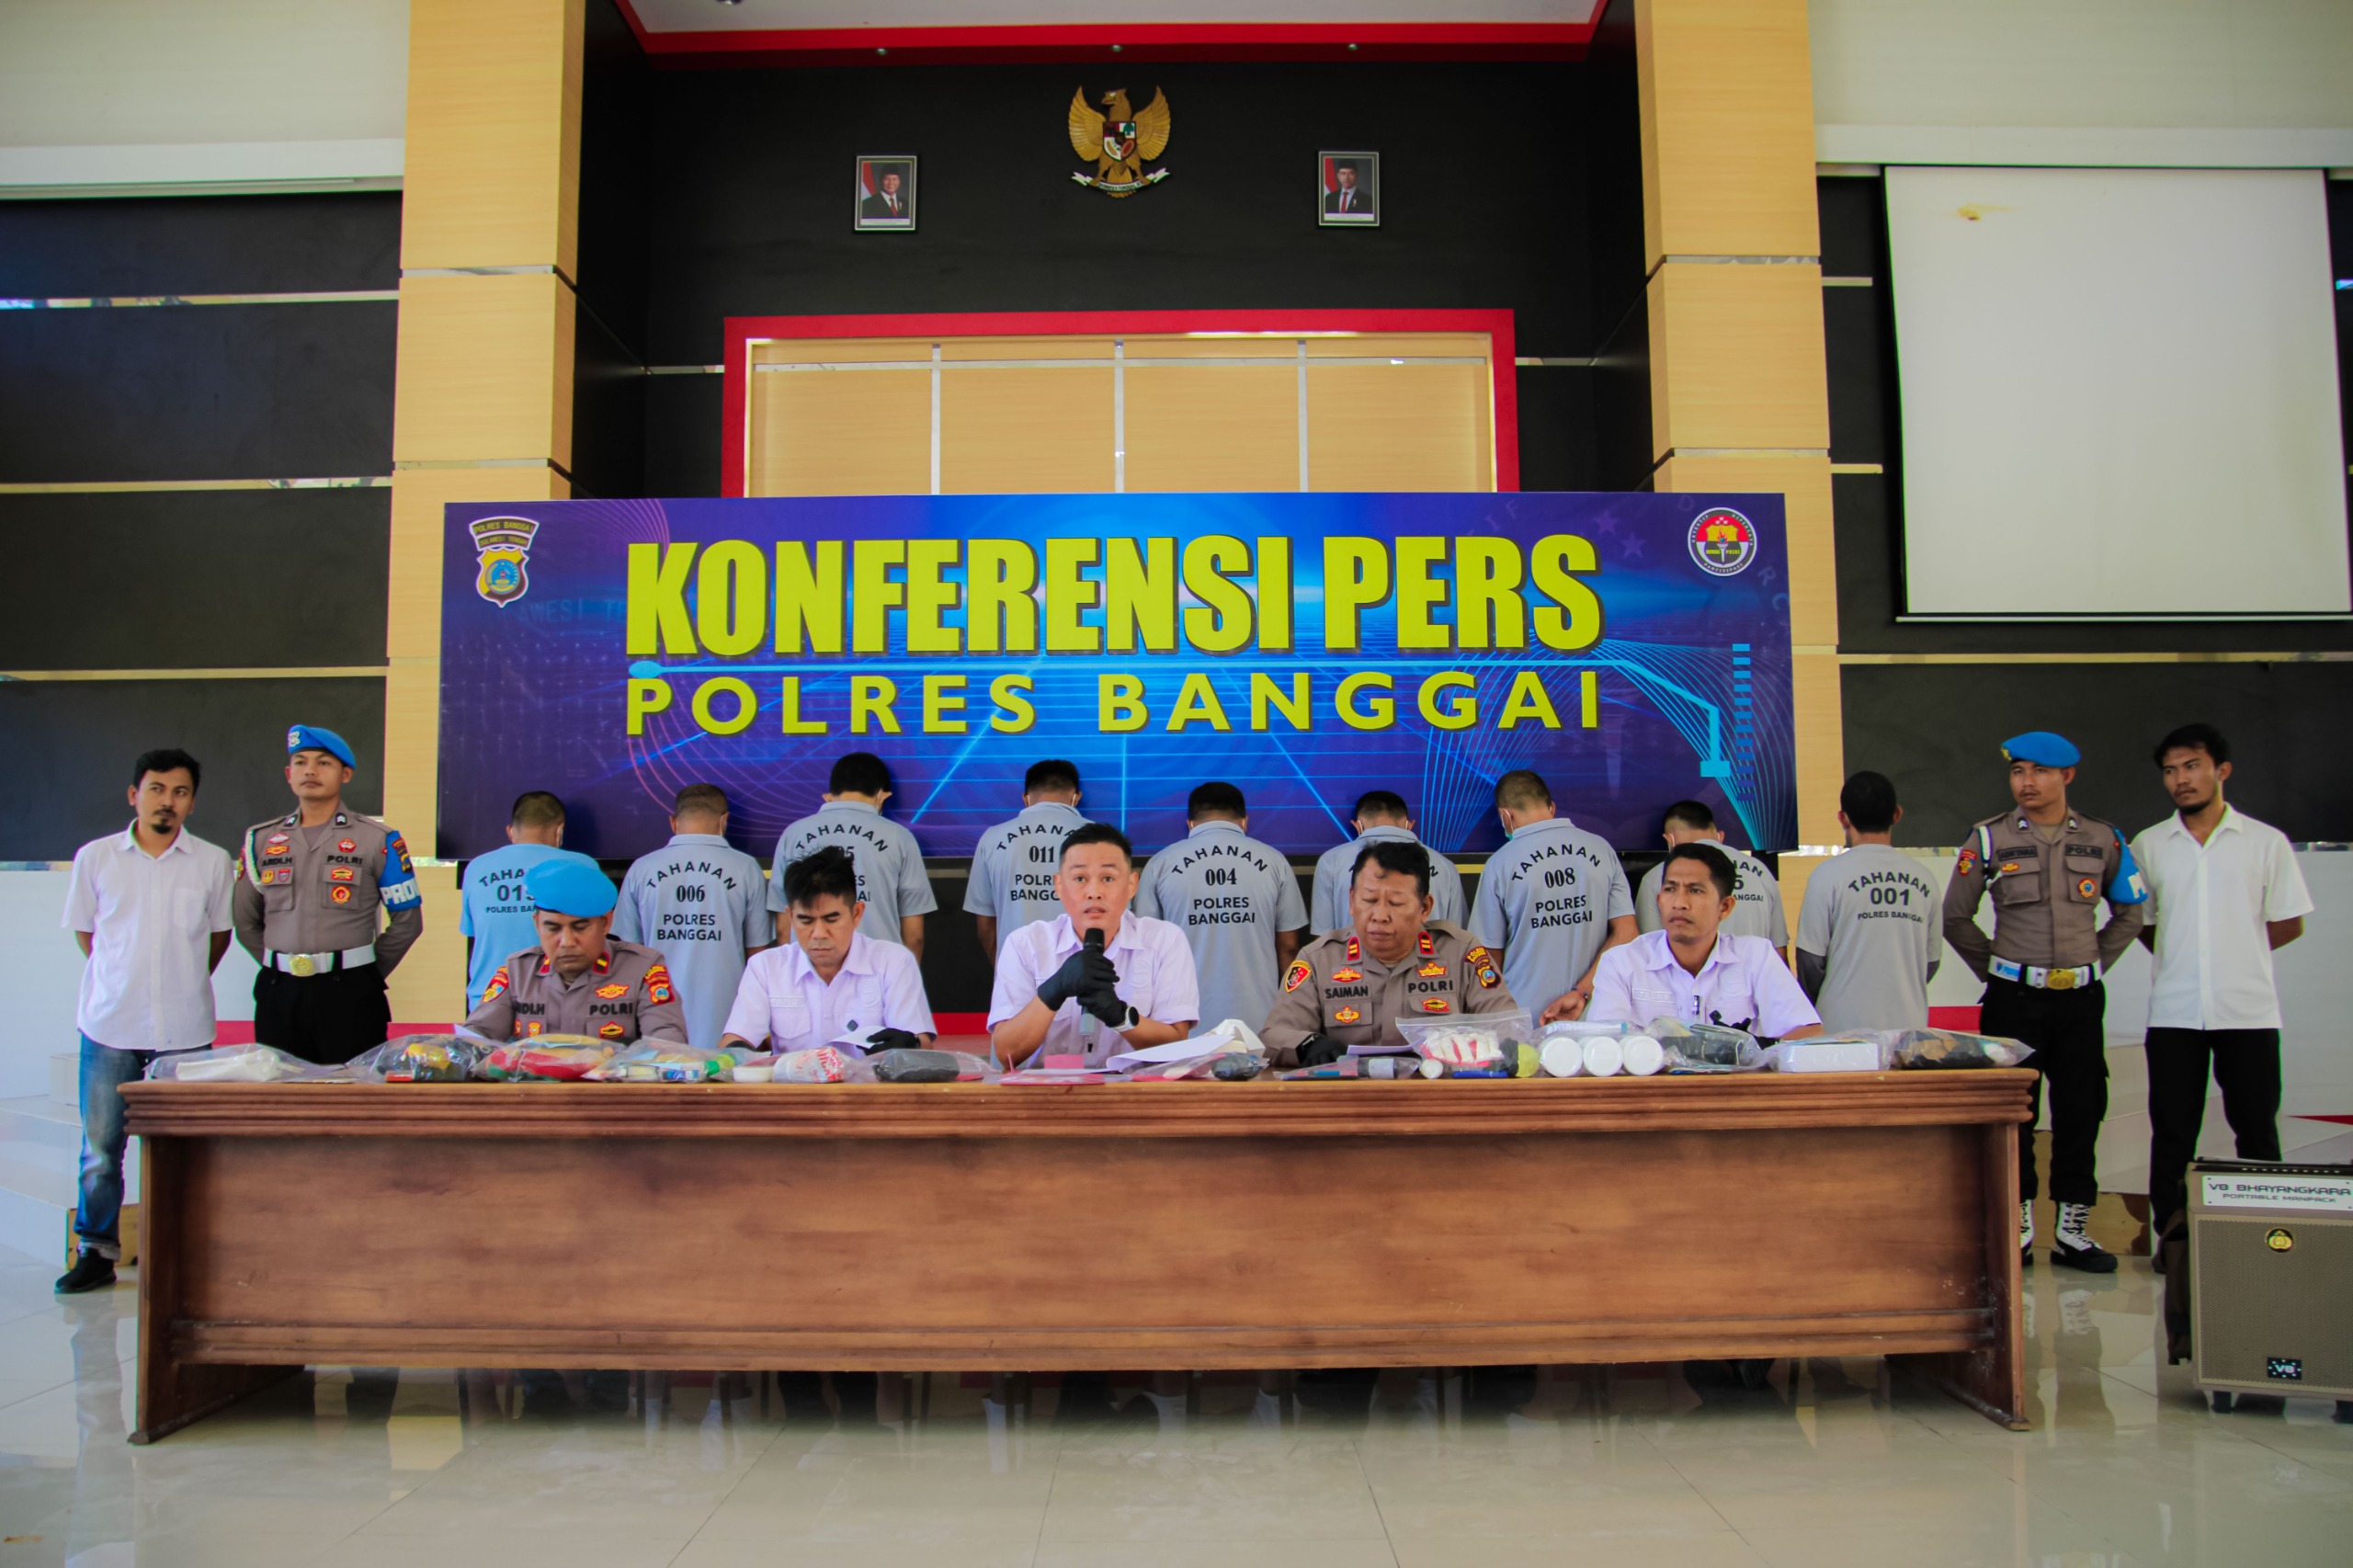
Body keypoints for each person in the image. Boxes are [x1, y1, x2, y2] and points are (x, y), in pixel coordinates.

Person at [1942, 731, 2146, 1272]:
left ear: (2067, 776)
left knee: (2082, 1111)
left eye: (2038, 771)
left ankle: (2074, 1230)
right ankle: (2020, 1224)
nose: (2026, 782)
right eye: (2018, 772)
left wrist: (2092, 963)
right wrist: (1999, 971)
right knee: (2016, 1114)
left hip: (2080, 1001)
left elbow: (2130, 913)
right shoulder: (1988, 838)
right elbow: (1955, 917)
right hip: (2013, 1001)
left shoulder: (2103, 838)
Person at [54, 748, 235, 1294]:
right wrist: (123, 978)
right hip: (110, 1026)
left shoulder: (212, 862)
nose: (167, 801)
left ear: (192, 803)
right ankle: (96, 1253)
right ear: (135, 795)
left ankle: (185, 1254)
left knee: (187, 1151)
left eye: (180, 792)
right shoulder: (96, 858)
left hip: (185, 1031)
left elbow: (219, 936)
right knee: (101, 1151)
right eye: (157, 789)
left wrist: (180, 980)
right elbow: (87, 932)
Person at [2131, 723, 2313, 1234]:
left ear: (2221, 770)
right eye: (2171, 771)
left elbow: (2288, 922)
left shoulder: (2265, 842)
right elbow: (2145, 924)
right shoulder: (2149, 845)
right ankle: (2171, 1239)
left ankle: (2268, 1237)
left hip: (2248, 1011)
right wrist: (2188, 956)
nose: (2181, 780)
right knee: (2172, 1133)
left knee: (2256, 1131)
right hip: (2175, 1013)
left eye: (2192, 766)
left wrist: (2233, 954)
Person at [233, 724, 424, 1064]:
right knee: (282, 1091)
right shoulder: (260, 840)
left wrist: (363, 973)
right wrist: (282, 966)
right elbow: (245, 921)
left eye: (323, 763)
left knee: (350, 1091)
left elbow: (408, 922)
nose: (310, 770)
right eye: (301, 762)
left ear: (345, 774)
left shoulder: (378, 839)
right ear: (289, 774)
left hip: (351, 993)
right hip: (279, 993)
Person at [1261, 839, 1518, 1070]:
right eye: (1369, 900)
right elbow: (1274, 1035)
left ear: (1425, 907)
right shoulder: (1319, 959)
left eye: (1395, 903)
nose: (1380, 915)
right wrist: (1308, 1044)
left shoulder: (1461, 952)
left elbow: (1509, 1027)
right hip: (1349, 1099)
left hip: (1437, 1097)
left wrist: (1476, 1043)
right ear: (1351, 900)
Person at [987, 824, 1199, 1068]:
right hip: (1050, 1089)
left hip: (1135, 1088)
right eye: (1080, 878)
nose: (1094, 892)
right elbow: (1006, 1053)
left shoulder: (1165, 941)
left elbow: (1175, 1045)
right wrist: (1052, 992)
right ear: (1058, 885)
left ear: (1132, 884)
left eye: (1108, 878)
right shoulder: (1025, 944)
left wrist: (1120, 1016)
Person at [1588, 843, 1823, 1040]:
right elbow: (1603, 1045)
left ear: (1725, 906)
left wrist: (1746, 1054)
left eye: (1695, 891)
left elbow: (1808, 1033)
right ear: (1659, 900)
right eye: (1670, 889)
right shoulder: (1621, 963)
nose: (1679, 903)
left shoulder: (1756, 956)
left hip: (1736, 1081)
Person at [721, 847, 936, 1056]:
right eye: (806, 920)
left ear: (856, 913)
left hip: (871, 1081)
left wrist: (912, 1045)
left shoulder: (893, 962)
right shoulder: (766, 967)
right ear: (790, 916)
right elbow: (735, 1040)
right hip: (792, 1081)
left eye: (831, 919)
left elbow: (920, 1043)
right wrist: (736, 1051)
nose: (819, 934)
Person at [1133, 781, 1309, 1034]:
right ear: (1245, 822)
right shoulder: (1274, 861)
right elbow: (1289, 947)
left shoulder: (1160, 864)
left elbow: (1146, 950)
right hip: (1261, 1021)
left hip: (1183, 1023)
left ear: (1190, 823)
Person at [613, 783, 772, 1051]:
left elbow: (627, 951)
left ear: (673, 822)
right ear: (724, 821)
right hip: (727, 1018)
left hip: (656, 1011)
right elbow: (758, 954)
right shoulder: (745, 868)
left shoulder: (642, 869)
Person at [1470, 768, 1636, 1024]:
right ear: (1552, 807)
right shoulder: (1601, 849)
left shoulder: (1500, 864)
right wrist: (1582, 992)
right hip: (1594, 1013)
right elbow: (1627, 934)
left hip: (1524, 1016)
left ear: (1505, 816)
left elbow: (1488, 956)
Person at [462, 857, 687, 1044]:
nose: (567, 942)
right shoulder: (517, 971)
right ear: (537, 924)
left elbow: (667, 1041)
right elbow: (477, 1037)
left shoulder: (643, 968)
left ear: (605, 923)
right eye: (553, 928)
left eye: (580, 927)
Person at [1794, 771, 1940, 1032]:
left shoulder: (1826, 875)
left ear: (1843, 818)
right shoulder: (1924, 879)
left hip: (1840, 1030)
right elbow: (1930, 963)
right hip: (1908, 1029)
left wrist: (1828, 999)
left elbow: (1810, 962)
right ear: (1897, 814)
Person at [767, 752, 936, 955]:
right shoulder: (900, 837)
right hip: (879, 967)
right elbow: (914, 935)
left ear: (828, 796)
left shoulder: (794, 834)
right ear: (882, 796)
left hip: (812, 966)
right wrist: (905, 972)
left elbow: (784, 927)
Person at [458, 791, 574, 1011]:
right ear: (559, 831)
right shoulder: (580, 865)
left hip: (487, 1000)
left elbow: (472, 931)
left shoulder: (476, 868)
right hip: (557, 1002)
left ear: (510, 831)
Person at [965, 760, 1090, 959]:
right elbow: (1118, 917)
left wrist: (1003, 968)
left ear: (1026, 798)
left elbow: (985, 925)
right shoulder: (1102, 839)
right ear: (1076, 797)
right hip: (1085, 968)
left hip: (1016, 966)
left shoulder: (993, 838)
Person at [1634, 801, 1787, 953]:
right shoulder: (1760, 871)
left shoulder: (1657, 876)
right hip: (1754, 968)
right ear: (1720, 836)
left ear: (1670, 840)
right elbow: (1779, 949)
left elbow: (1649, 948)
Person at [1309, 790, 1465, 935]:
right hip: (1431, 956)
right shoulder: (1446, 867)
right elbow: (1457, 934)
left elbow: (1323, 937)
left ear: (1358, 826)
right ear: (1409, 825)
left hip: (1351, 956)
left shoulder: (1332, 861)